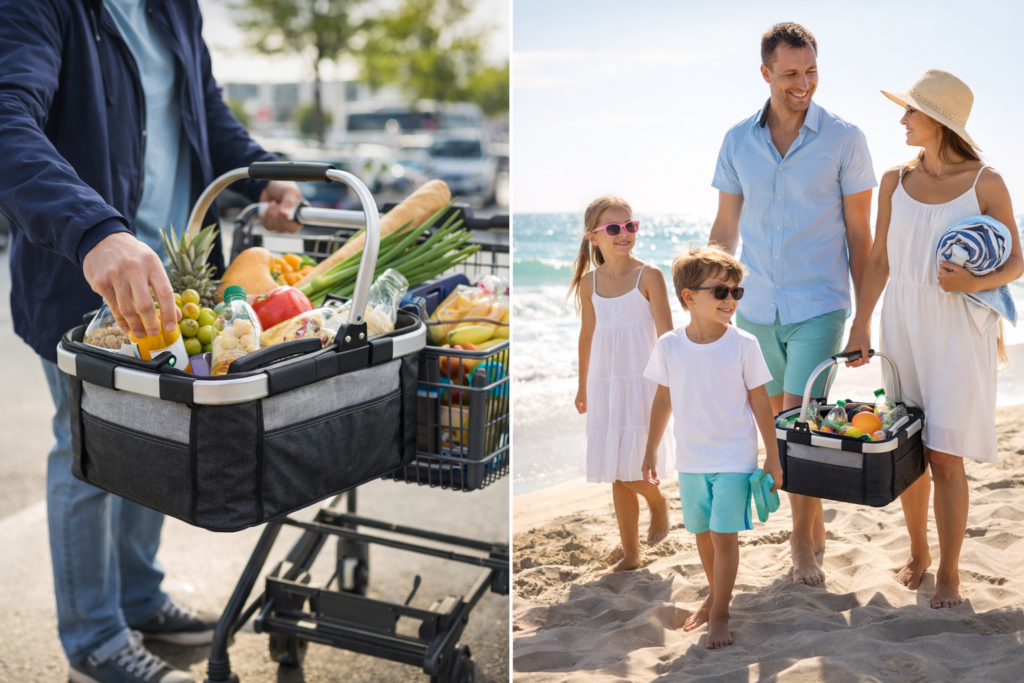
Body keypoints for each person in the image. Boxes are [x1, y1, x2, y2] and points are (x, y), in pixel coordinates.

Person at [0, 1, 304, 681]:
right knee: (88, 447)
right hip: (83, 271)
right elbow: (6, 121)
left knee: (161, 433)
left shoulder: (173, 6)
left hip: (178, 276)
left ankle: (139, 596)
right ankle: (95, 642)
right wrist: (93, 231)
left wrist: (265, 172)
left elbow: (203, 114)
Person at [844, 70, 1023, 609]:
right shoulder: (895, 181)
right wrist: (861, 323)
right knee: (909, 446)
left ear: (939, 121)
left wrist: (975, 282)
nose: (902, 120)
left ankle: (948, 572)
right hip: (904, 320)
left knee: (945, 455)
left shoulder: (984, 182)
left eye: (911, 111)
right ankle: (918, 552)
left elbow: (1017, 257)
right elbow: (878, 258)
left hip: (958, 327)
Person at [707, 22, 876, 586]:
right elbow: (726, 225)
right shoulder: (738, 140)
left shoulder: (845, 139)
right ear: (766, 74)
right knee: (777, 427)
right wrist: (714, 292)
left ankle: (802, 546)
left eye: (810, 72)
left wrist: (864, 317)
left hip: (820, 305)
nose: (802, 84)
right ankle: (812, 520)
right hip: (757, 308)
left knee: (800, 425)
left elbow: (861, 235)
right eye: (790, 74)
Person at [641, 245, 781, 649]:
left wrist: (771, 456)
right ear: (689, 297)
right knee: (701, 532)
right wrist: (651, 449)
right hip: (691, 460)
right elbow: (663, 400)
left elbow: (759, 401)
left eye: (736, 292)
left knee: (724, 535)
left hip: (734, 458)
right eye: (720, 292)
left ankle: (720, 613)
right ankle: (715, 594)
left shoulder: (744, 344)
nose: (730, 301)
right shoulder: (669, 345)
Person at [570, 196, 675, 575]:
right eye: (613, 228)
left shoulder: (650, 276)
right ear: (593, 237)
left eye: (630, 226)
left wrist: (671, 383)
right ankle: (632, 556)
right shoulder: (589, 283)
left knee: (631, 466)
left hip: (643, 383)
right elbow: (587, 336)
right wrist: (583, 387)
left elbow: (667, 336)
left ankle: (658, 501)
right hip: (605, 383)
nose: (624, 234)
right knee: (616, 470)